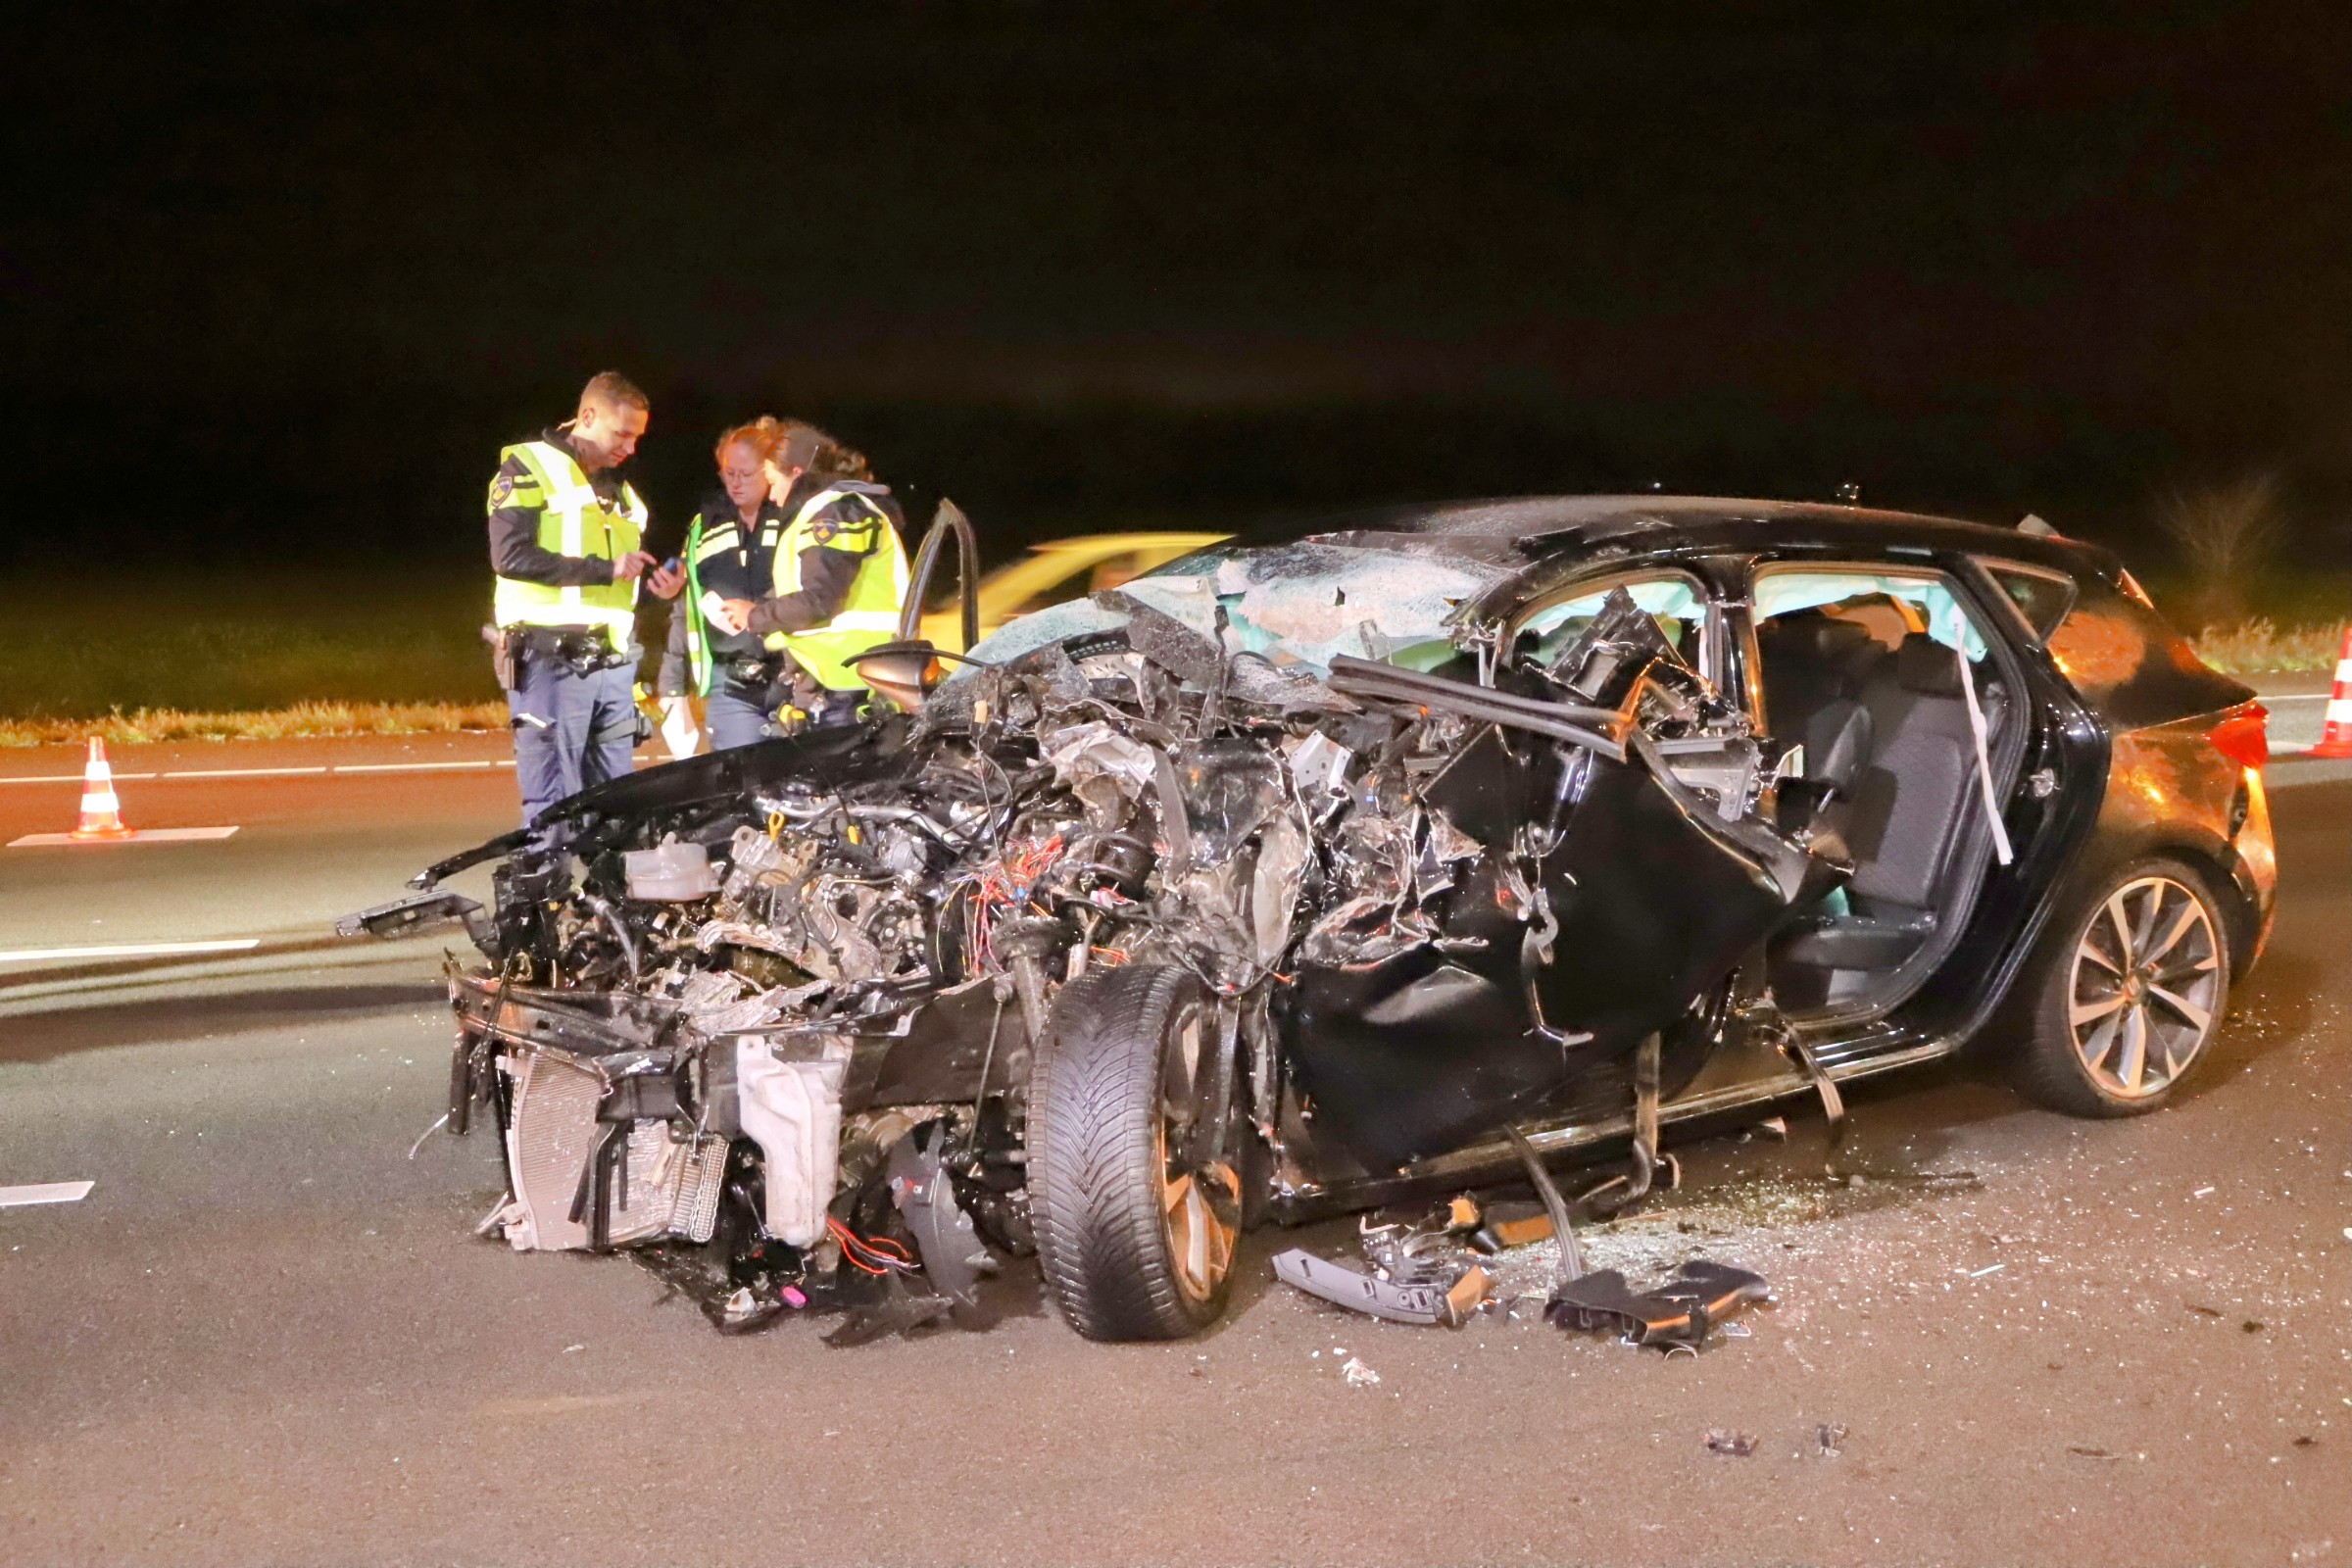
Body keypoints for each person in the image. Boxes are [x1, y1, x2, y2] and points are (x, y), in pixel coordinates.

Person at [486, 370, 682, 826]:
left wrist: (659, 591)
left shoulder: (624, 496)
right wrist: (605, 568)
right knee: (554, 804)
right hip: (550, 661)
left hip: (612, 667)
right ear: (587, 416)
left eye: (637, 438)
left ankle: (606, 896)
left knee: (616, 808)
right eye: (622, 434)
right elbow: (510, 555)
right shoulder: (528, 467)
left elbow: (612, 592)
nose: (630, 448)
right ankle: (548, 898)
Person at [672, 418, 910, 737]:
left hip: (851, 684)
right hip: (844, 682)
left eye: (774, 481)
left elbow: (817, 600)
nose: (773, 496)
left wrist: (755, 615)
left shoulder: (834, 514)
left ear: (796, 473)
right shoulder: (826, 511)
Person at [657, 416, 795, 750]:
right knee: (738, 787)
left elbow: (814, 593)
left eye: (746, 474)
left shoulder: (794, 519)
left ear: (770, 471)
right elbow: (688, 608)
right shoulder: (705, 525)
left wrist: (760, 610)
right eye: (727, 473)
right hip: (730, 684)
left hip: (791, 678)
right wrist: (672, 688)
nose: (735, 483)